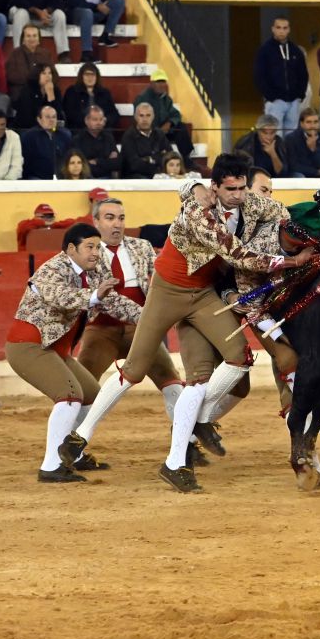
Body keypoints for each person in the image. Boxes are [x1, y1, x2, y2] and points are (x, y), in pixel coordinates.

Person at [65, 156, 312, 493]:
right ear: (215, 188)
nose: (239, 195)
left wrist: (315, 233)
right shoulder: (198, 212)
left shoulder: (250, 201)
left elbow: (283, 215)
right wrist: (291, 260)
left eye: (242, 188)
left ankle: (198, 422)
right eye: (231, 189)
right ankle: (80, 436)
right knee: (135, 368)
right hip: (167, 291)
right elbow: (238, 255)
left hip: (204, 296)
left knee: (239, 356)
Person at [75, 198, 186, 469]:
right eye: (110, 218)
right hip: (102, 329)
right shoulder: (88, 251)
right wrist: (150, 319)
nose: (117, 224)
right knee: (82, 389)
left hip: (139, 331)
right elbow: (106, 299)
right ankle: (73, 451)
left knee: (173, 385)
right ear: (96, 222)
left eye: (121, 218)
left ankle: (186, 445)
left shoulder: (142, 246)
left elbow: (162, 280)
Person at [5, 223, 119, 481]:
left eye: (98, 247)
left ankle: (72, 455)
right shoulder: (51, 269)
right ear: (71, 249)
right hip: (29, 346)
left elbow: (112, 302)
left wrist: (147, 318)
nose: (95, 253)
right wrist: (93, 296)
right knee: (69, 395)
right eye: (89, 247)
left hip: (57, 350)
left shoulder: (92, 272)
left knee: (92, 395)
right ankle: (51, 466)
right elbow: (59, 296)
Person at [253, 16, 308, 134]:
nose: (281, 31)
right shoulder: (265, 50)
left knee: (292, 137)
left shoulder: (295, 50)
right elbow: (259, 75)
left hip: (294, 101)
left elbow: (303, 74)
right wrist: (270, 96)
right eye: (278, 28)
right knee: (274, 135)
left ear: (289, 30)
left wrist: (300, 95)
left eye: (285, 28)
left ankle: (289, 154)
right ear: (273, 29)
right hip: (275, 101)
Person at [133, 71, 194, 166]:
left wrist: (169, 123)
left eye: (163, 82)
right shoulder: (142, 98)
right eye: (159, 82)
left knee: (180, 127)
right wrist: (158, 130)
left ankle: (186, 158)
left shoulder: (166, 98)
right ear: (152, 83)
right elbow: (141, 119)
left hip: (165, 131)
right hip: (150, 132)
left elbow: (175, 114)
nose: (162, 85)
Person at [120, 102, 173, 179]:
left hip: (158, 175)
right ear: (135, 117)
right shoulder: (129, 136)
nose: (145, 119)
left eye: (148, 115)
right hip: (135, 177)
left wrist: (148, 159)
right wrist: (157, 161)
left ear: (153, 117)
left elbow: (169, 156)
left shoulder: (159, 133)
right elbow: (134, 165)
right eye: (141, 115)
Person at [6, 24, 55, 105]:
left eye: (34, 36)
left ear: (39, 38)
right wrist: (36, 80)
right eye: (28, 36)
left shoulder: (45, 53)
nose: (32, 39)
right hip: (22, 92)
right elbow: (11, 76)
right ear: (23, 39)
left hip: (42, 90)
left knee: (54, 92)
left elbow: (54, 74)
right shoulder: (15, 54)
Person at [63, 61, 119, 132]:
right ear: (81, 76)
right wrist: (88, 121)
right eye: (87, 74)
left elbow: (114, 114)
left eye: (93, 75)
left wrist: (105, 120)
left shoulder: (104, 93)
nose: (90, 77)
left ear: (97, 77)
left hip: (101, 129)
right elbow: (69, 114)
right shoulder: (72, 92)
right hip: (79, 130)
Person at [20, 105, 72, 180]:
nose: (51, 120)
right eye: (47, 117)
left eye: (54, 117)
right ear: (39, 119)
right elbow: (26, 163)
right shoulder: (29, 136)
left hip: (61, 178)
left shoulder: (65, 135)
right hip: (36, 178)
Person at [233, 114, 287, 178]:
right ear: (258, 131)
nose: (268, 137)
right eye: (265, 133)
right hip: (251, 182)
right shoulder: (246, 143)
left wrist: (273, 153)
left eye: (272, 133)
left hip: (273, 182)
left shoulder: (279, 142)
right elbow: (239, 172)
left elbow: (282, 174)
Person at [72, 106, 120, 178]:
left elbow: (117, 163)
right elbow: (82, 166)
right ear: (86, 121)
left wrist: (97, 161)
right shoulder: (78, 139)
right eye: (95, 120)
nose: (99, 123)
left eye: (101, 119)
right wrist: (107, 161)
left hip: (107, 178)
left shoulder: (108, 137)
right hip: (86, 179)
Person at [14, 63, 64, 130]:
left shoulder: (55, 90)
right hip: (30, 128)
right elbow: (26, 116)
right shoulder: (28, 90)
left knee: (65, 134)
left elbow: (58, 115)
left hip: (52, 129)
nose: (48, 76)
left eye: (49, 73)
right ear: (37, 75)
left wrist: (51, 96)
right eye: (44, 73)